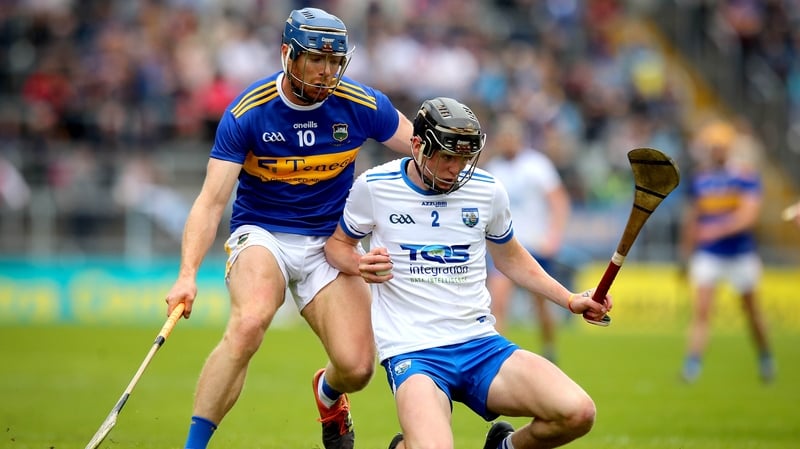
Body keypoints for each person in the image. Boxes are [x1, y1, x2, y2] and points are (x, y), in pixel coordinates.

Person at [164, 8, 413, 449]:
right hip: (263, 234)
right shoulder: (249, 112)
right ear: (287, 55)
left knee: (357, 369)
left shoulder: (363, 104)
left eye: (335, 61)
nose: (326, 71)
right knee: (249, 322)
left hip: (332, 244)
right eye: (316, 59)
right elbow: (210, 202)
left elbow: (420, 153)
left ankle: (328, 394)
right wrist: (187, 275)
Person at [324, 97, 611, 449]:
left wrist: (569, 299)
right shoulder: (375, 186)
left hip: (481, 346)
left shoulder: (486, 190)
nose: (455, 169)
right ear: (417, 145)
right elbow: (336, 246)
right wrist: (359, 264)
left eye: (463, 158)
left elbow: (512, 258)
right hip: (415, 353)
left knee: (578, 412)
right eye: (446, 156)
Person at [678, 118, 775, 384]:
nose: (716, 151)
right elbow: (692, 219)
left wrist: (715, 230)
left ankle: (765, 357)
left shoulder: (744, 175)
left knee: (752, 311)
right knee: (701, 311)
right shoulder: (700, 179)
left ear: (728, 147)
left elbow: (749, 216)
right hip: (709, 254)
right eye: (712, 147)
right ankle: (691, 366)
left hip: (741, 253)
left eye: (720, 146)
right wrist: (685, 255)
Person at [483, 113, 571, 363]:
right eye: (503, 137)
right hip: (505, 247)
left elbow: (559, 201)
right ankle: (496, 357)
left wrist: (554, 236)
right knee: (498, 301)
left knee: (541, 305)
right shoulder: (495, 168)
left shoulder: (537, 165)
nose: (507, 141)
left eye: (511, 137)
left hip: (536, 245)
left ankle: (549, 348)